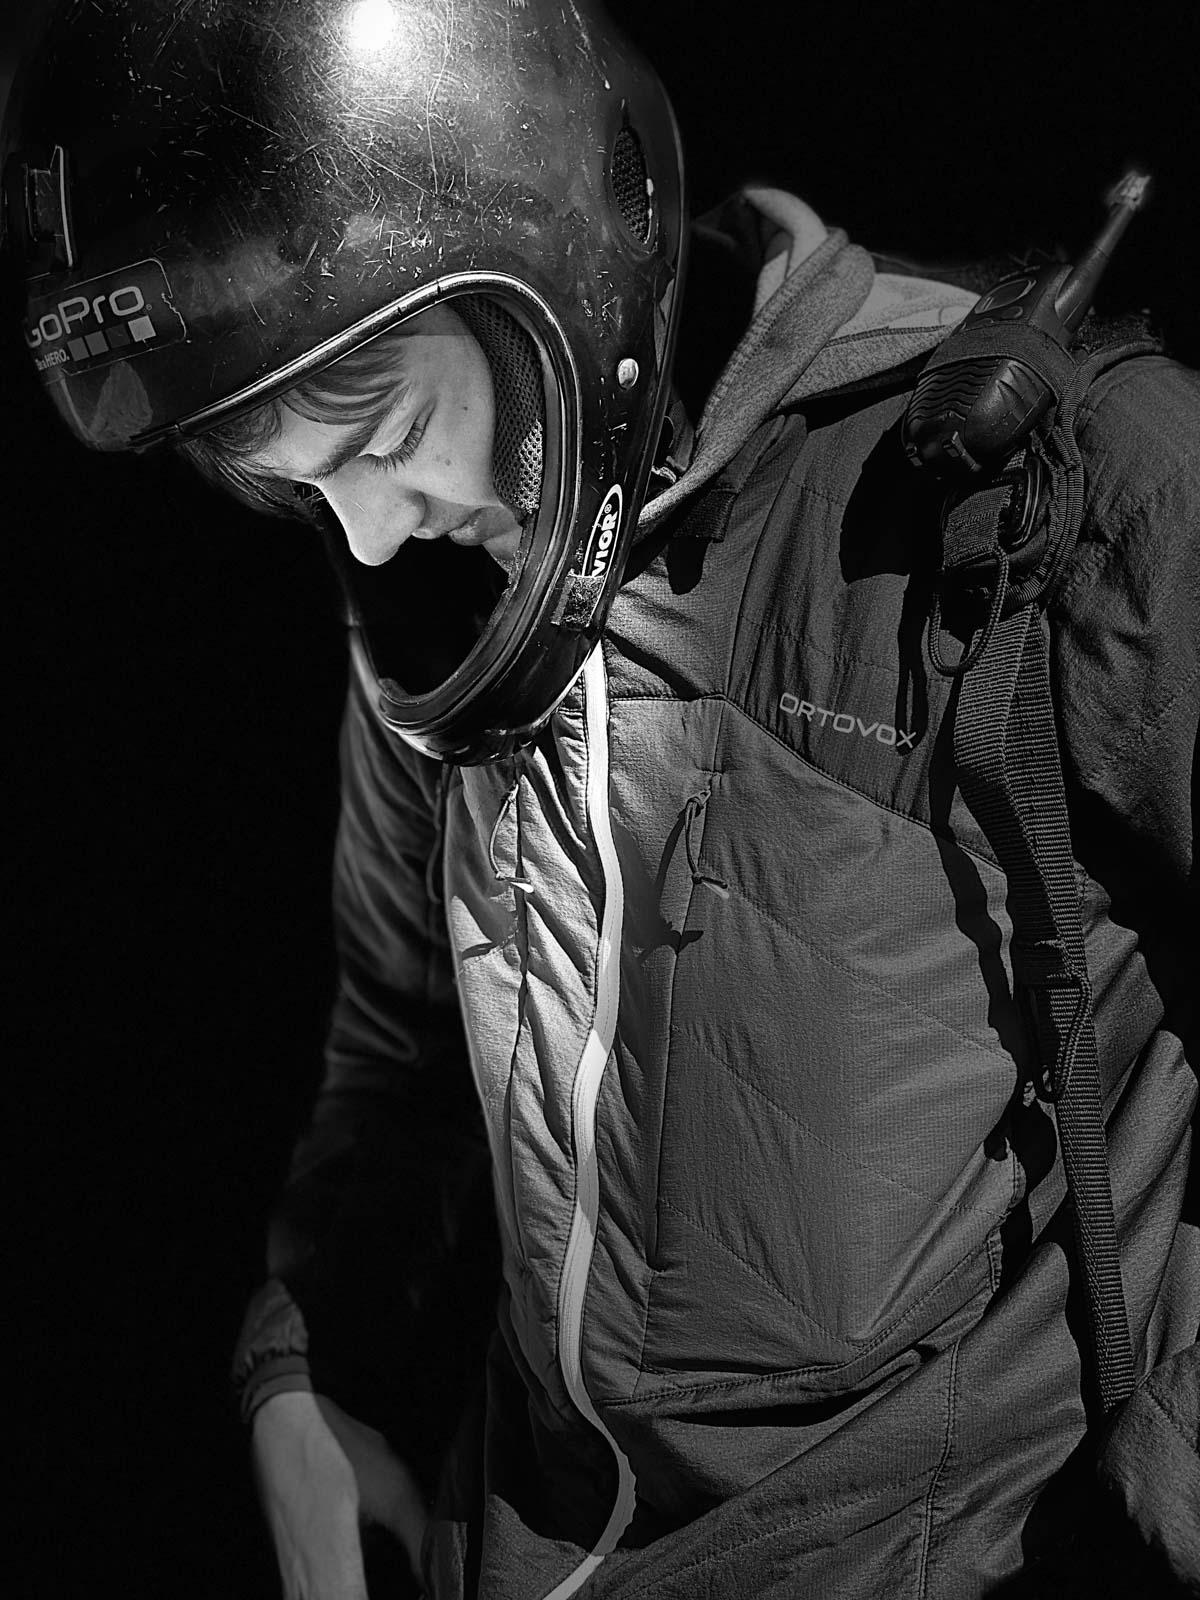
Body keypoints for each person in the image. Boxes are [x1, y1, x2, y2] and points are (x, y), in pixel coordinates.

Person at [4, 1, 1197, 1596]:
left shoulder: (1059, 497)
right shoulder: (438, 611)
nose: (369, 534)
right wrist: (312, 1377)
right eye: (303, 487)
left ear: (559, 286)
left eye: (390, 435)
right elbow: (405, 1054)